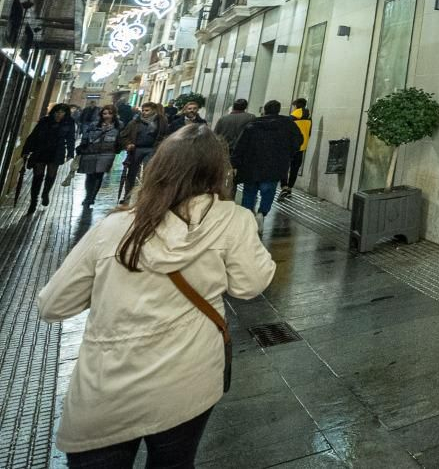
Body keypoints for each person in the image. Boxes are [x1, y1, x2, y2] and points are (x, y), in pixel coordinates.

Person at [37, 124, 275, 467]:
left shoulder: (113, 228)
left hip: (106, 391)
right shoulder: (232, 221)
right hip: (188, 380)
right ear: (218, 171)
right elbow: (250, 285)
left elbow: (53, 304)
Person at [231, 100, 301, 220]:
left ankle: (247, 217)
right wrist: (288, 154)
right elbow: (298, 141)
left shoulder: (252, 124)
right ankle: (262, 214)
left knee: (249, 192)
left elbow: (240, 145)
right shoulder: (288, 124)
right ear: (278, 110)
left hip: (251, 165)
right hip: (275, 165)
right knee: (268, 191)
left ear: (264, 110)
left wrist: (234, 163)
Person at [22, 104, 77, 213]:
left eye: (62, 112)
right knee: (37, 176)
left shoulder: (69, 123)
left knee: (51, 176)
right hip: (41, 151)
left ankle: (45, 193)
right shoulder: (45, 121)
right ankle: (33, 201)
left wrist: (71, 152)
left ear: (66, 113)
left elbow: (71, 138)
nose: (59, 114)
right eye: (57, 111)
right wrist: (26, 150)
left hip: (56, 152)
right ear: (53, 112)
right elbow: (34, 135)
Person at [117, 104, 167, 202]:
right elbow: (124, 135)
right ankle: (127, 196)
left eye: (147, 110)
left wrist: (161, 145)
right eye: (143, 110)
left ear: (153, 111)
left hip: (152, 149)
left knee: (149, 173)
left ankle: (146, 197)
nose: (144, 112)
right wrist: (128, 144)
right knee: (131, 173)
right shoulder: (135, 122)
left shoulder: (160, 122)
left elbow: (164, 134)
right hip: (136, 149)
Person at [77, 108, 124, 208]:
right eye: (104, 113)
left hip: (107, 153)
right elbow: (86, 136)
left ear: (114, 115)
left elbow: (121, 139)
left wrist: (118, 149)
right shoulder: (94, 124)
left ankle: (92, 197)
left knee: (99, 175)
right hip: (91, 152)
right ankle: (88, 195)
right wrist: (82, 146)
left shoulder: (119, 125)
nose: (107, 116)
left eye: (109, 113)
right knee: (89, 175)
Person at [281, 98, 312, 198]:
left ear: (296, 106)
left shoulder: (291, 118)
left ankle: (284, 186)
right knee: (295, 169)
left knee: (284, 167)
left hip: (289, 147)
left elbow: (286, 133)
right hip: (302, 147)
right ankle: (290, 188)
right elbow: (309, 133)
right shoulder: (309, 118)